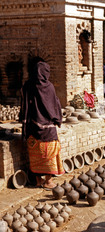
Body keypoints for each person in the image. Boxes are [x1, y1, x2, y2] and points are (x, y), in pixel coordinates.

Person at [19, 60, 64, 190]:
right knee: (50, 153)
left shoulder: (28, 86)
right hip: (48, 129)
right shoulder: (49, 87)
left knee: (36, 154)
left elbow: (24, 105)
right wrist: (57, 118)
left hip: (33, 127)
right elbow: (55, 104)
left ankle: (38, 180)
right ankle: (48, 181)